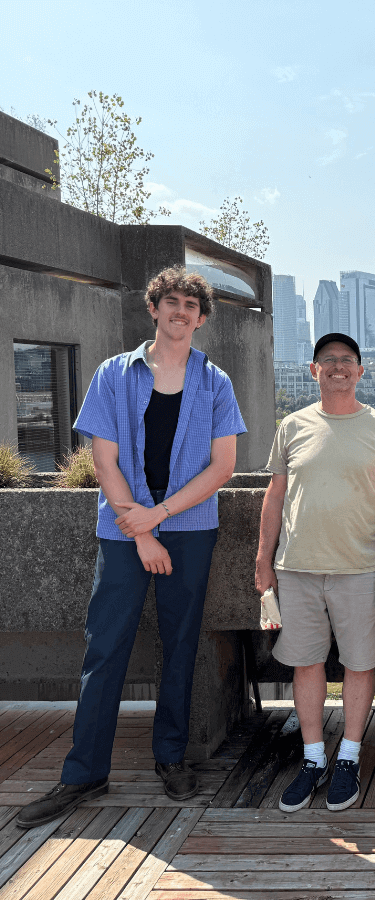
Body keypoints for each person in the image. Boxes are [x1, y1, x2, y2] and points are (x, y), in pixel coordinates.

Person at [16, 267, 246, 829]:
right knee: (105, 648)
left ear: (203, 317)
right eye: (172, 301)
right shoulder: (113, 374)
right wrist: (141, 531)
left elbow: (223, 466)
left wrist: (162, 516)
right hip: (123, 531)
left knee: (181, 643)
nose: (181, 311)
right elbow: (104, 460)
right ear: (154, 308)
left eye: (192, 304)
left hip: (190, 528)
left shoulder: (215, 382)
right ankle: (83, 772)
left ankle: (171, 756)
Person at [255, 333, 375, 813]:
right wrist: (264, 559)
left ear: (361, 372)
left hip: (362, 567)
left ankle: (348, 756)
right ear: (313, 370)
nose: (338, 367)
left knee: (360, 664)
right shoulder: (292, 426)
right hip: (297, 568)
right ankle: (312, 757)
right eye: (329, 360)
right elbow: (275, 495)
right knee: (306, 663)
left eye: (347, 360)